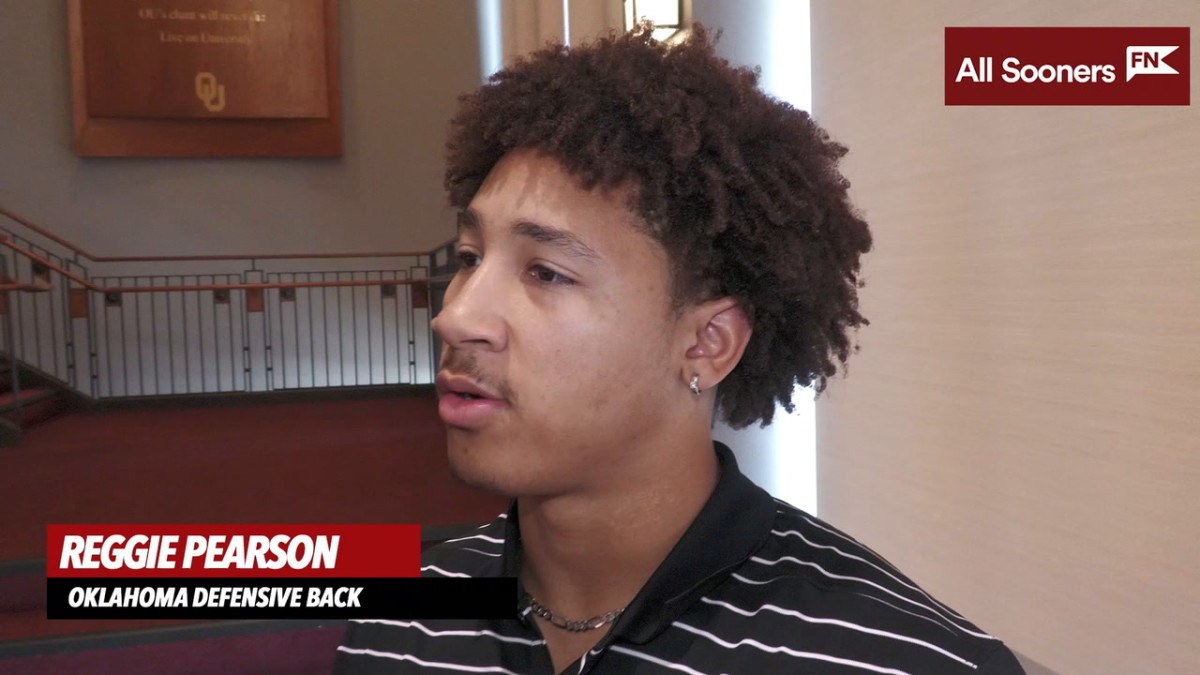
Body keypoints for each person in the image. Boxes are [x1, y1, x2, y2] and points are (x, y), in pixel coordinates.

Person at [335, 24, 1025, 675]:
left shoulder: (902, 659)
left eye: (545, 272)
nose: (455, 316)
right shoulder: (398, 621)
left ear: (706, 343)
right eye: (469, 257)